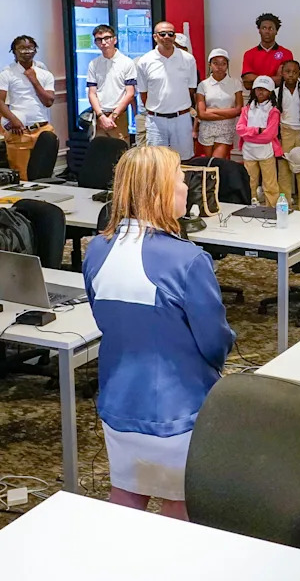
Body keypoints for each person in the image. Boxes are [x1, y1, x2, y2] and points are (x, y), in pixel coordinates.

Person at [82, 145, 235, 520]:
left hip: (118, 402)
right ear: (160, 191)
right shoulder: (188, 259)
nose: (186, 188)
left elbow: (103, 319)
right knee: (179, 508)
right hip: (178, 410)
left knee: (126, 499)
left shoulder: (96, 250)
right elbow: (214, 342)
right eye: (181, 180)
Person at [136, 21, 198, 160]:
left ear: (174, 37)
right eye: (162, 34)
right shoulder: (145, 61)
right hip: (155, 121)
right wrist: (158, 109)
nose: (167, 37)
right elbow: (143, 93)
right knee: (156, 161)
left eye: (170, 34)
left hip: (181, 119)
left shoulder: (188, 59)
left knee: (183, 160)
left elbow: (191, 89)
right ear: (155, 37)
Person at [0, 35, 55, 179]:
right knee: (22, 177)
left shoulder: (45, 74)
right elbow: (0, 101)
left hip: (43, 129)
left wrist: (34, 80)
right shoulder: (6, 74)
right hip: (19, 131)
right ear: (14, 51)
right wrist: (13, 120)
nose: (26, 51)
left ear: (35, 50)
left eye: (30, 48)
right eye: (21, 48)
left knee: (44, 175)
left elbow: (49, 101)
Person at [86, 24, 136, 142]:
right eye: (99, 40)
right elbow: (92, 93)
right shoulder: (94, 64)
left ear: (114, 40)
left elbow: (130, 93)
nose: (103, 43)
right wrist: (101, 116)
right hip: (99, 115)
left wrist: (113, 116)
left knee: (120, 149)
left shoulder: (127, 62)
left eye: (107, 38)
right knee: (99, 150)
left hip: (119, 115)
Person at [276, 59, 300, 211]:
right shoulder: (276, 93)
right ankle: (284, 205)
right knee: (284, 170)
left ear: (299, 74)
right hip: (284, 132)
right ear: (282, 73)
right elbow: (274, 118)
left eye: (294, 72)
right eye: (287, 72)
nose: (291, 75)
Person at [236, 76, 281, 207]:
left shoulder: (273, 111)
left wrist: (249, 134)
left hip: (266, 152)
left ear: (270, 92)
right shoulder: (247, 109)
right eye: (258, 89)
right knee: (250, 181)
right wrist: (257, 130)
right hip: (249, 151)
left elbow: (269, 136)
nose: (261, 92)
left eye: (264, 89)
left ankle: (272, 207)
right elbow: (239, 129)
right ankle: (250, 205)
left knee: (270, 183)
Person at [195, 48, 242, 160]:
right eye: (215, 63)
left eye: (223, 63)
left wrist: (211, 111)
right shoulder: (203, 85)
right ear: (210, 65)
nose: (219, 67)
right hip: (207, 128)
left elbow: (238, 110)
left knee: (216, 161)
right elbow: (202, 114)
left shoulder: (235, 83)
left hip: (226, 128)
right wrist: (228, 113)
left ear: (227, 65)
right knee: (209, 163)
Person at [241, 13, 293, 90]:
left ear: (276, 31)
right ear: (259, 30)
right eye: (264, 28)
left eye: (271, 28)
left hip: (278, 96)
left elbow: (283, 81)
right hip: (255, 96)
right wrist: (273, 79)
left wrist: (256, 79)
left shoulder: (286, 54)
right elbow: (247, 82)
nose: (267, 31)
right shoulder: (249, 54)